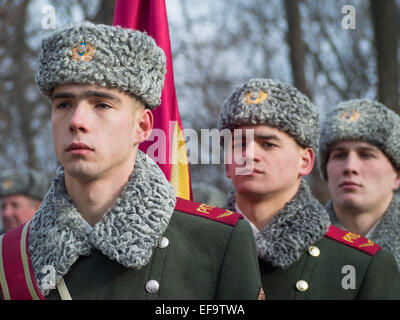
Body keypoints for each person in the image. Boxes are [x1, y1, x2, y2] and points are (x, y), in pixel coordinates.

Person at [0, 23, 263, 300]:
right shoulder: (11, 257)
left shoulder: (217, 242)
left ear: (142, 126)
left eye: (102, 104)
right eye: (63, 104)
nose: (77, 121)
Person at [219, 78, 400, 299]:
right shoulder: (194, 247)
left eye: (268, 144)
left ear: (305, 161)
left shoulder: (361, 264)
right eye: (239, 144)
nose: (249, 155)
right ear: (227, 163)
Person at [319, 99, 400, 269]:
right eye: (339, 155)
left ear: (397, 175)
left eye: (366, 155)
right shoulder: (298, 245)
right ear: (325, 170)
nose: (350, 167)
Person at [0, 169, 49, 233]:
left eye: (15, 205)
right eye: (3, 206)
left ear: (38, 208)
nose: (7, 213)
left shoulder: (57, 240)